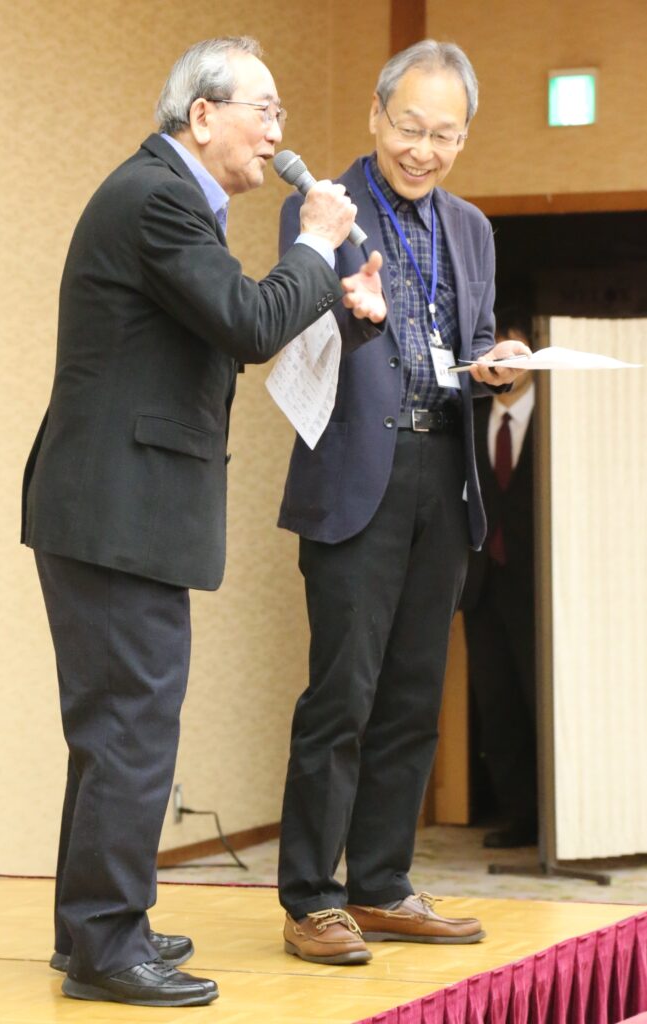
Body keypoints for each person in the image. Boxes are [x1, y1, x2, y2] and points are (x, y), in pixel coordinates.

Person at [21, 36, 386, 1007]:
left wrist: (336, 301)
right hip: (116, 510)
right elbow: (249, 322)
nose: (275, 132)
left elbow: (240, 320)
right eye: (263, 110)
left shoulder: (169, 201)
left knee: (116, 730)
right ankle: (106, 945)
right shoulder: (157, 199)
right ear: (201, 116)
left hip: (114, 508)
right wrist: (316, 241)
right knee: (131, 730)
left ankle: (93, 928)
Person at [275, 39, 531, 966]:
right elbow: (295, 329)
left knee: (414, 696)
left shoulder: (471, 228)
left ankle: (380, 886)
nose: (424, 149)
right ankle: (311, 900)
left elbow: (469, 345)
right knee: (341, 694)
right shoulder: (324, 205)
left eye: (445, 134)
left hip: (442, 471)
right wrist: (352, 314)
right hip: (356, 474)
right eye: (410, 127)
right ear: (376, 116)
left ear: (464, 137)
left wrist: (498, 369)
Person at [462, 317, 537, 849]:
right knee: (497, 704)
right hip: (485, 585)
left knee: (542, 698)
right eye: (495, 355)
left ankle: (564, 822)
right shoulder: (471, 417)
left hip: (543, 587)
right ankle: (521, 817)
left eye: (515, 353)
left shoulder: (558, 419)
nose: (504, 364)